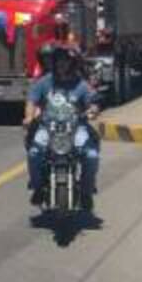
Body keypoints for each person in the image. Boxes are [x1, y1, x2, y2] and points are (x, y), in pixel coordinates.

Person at [23, 45, 100, 210]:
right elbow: (32, 100)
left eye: (65, 61)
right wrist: (29, 117)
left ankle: (86, 192)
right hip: (47, 127)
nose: (62, 64)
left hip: (75, 127)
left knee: (91, 155)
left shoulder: (81, 84)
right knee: (34, 154)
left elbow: (93, 102)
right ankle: (37, 188)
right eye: (59, 61)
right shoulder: (44, 82)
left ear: (72, 63)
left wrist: (93, 110)